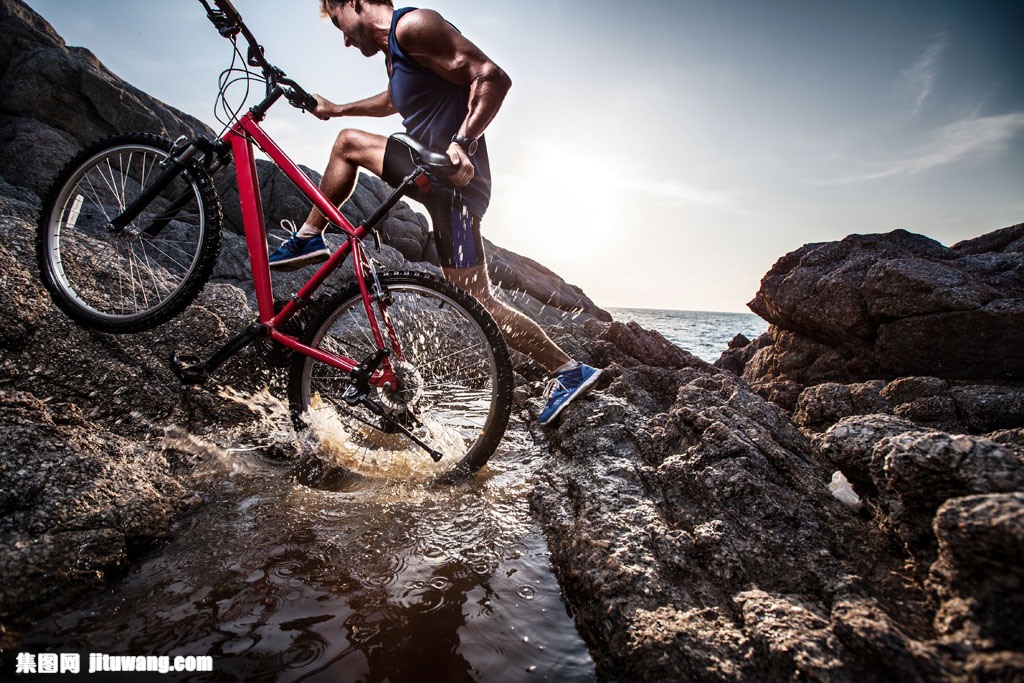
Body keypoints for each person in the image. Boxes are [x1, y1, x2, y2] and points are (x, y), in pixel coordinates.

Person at [269, 0, 599, 425]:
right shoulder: (396, 53)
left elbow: (492, 76)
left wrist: (462, 140)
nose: (346, 40)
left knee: (349, 144)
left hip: (453, 180)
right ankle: (570, 371)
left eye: (340, 24)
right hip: (436, 176)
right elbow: (394, 100)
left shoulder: (414, 26)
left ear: (354, 2)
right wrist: (336, 108)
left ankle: (309, 236)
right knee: (477, 299)